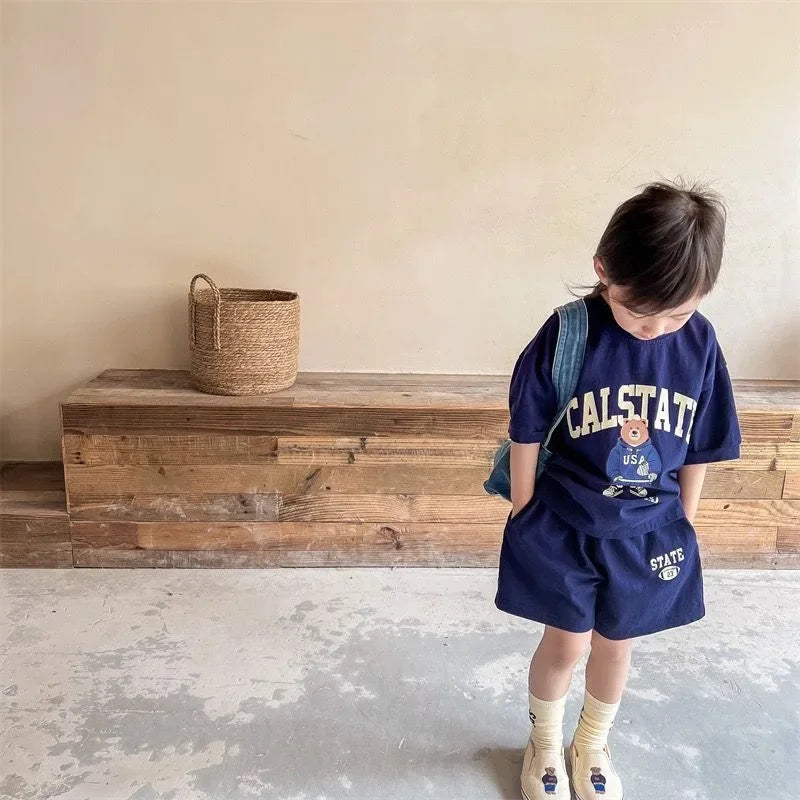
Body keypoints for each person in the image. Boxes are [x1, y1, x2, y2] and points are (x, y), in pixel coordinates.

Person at [494, 179, 742, 800]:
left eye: (677, 314)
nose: (657, 329)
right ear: (604, 271)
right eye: (641, 312)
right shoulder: (569, 333)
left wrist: (685, 519)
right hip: (566, 522)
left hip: (648, 530)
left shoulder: (699, 341)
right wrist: (524, 511)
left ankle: (592, 742)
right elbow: (527, 427)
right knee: (566, 642)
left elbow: (702, 441)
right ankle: (544, 742)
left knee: (617, 643)